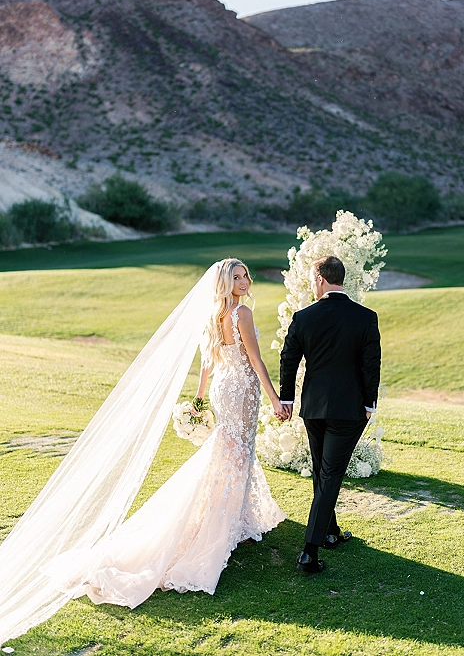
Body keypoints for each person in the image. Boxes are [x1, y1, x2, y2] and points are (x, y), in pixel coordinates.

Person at [0, 259, 286, 644]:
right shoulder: (242, 313)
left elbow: (207, 363)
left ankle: (236, 515)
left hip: (223, 388)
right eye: (235, 277)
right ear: (224, 282)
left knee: (227, 453)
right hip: (242, 389)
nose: (243, 281)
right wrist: (274, 399)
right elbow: (254, 359)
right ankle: (225, 522)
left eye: (244, 275)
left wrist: (201, 398)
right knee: (234, 453)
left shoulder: (212, 315)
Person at [279, 255, 381, 573]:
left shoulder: (303, 317)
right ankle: (309, 551)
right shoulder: (365, 317)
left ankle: (330, 532)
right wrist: (369, 405)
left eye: (312, 281)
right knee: (330, 474)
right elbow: (371, 364)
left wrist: (287, 399)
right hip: (350, 411)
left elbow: (288, 359)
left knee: (323, 472)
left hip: (313, 408)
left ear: (321, 280)